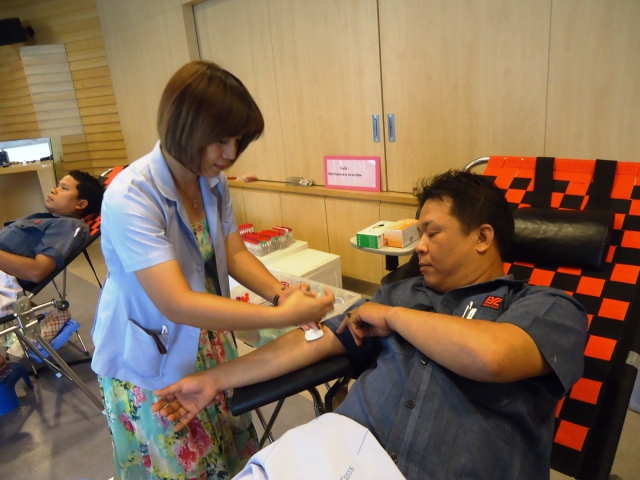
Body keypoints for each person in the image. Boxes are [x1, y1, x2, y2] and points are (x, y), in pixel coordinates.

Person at [152, 170, 589, 480]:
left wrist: (394, 318)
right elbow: (314, 341)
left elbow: (493, 357)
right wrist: (214, 379)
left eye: (432, 233)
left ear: (482, 237)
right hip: (342, 455)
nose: (419, 247)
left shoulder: (546, 307)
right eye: (418, 235)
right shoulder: (403, 293)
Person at [90, 60, 335, 480]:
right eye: (221, 139)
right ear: (185, 128)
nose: (231, 153)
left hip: (208, 338)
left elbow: (233, 252)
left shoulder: (211, 181)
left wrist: (281, 294)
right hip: (153, 354)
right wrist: (281, 317)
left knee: (227, 456)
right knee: (182, 465)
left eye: (238, 140)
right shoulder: (131, 196)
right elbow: (176, 303)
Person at [0, 170, 104, 314]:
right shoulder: (47, 219)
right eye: (57, 185)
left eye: (64, 188)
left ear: (81, 204)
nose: (53, 190)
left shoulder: (68, 225)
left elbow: (37, 272)